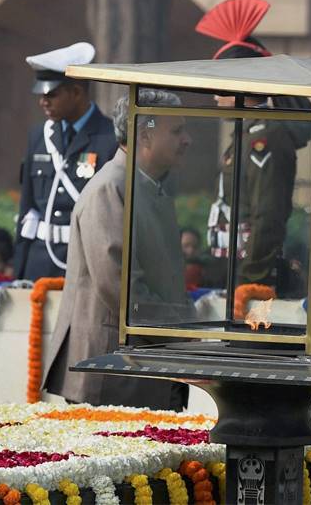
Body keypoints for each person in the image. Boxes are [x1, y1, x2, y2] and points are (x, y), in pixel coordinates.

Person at [43, 90, 190, 409]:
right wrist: (184, 334)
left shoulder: (147, 185)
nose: (187, 140)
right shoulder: (111, 188)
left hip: (137, 368)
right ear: (145, 134)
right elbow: (121, 287)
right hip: (113, 374)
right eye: (177, 131)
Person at [196, 0, 311, 291]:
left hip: (249, 276)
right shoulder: (248, 135)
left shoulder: (267, 139)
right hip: (230, 267)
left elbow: (268, 216)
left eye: (220, 84)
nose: (214, 95)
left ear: (242, 84)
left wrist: (253, 280)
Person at [14, 42, 118, 281]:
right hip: (39, 259)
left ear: (77, 93)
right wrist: (19, 268)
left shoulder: (111, 138)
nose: (43, 101)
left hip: (86, 260)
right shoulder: (39, 136)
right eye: (41, 94)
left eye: (51, 94)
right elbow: (27, 206)